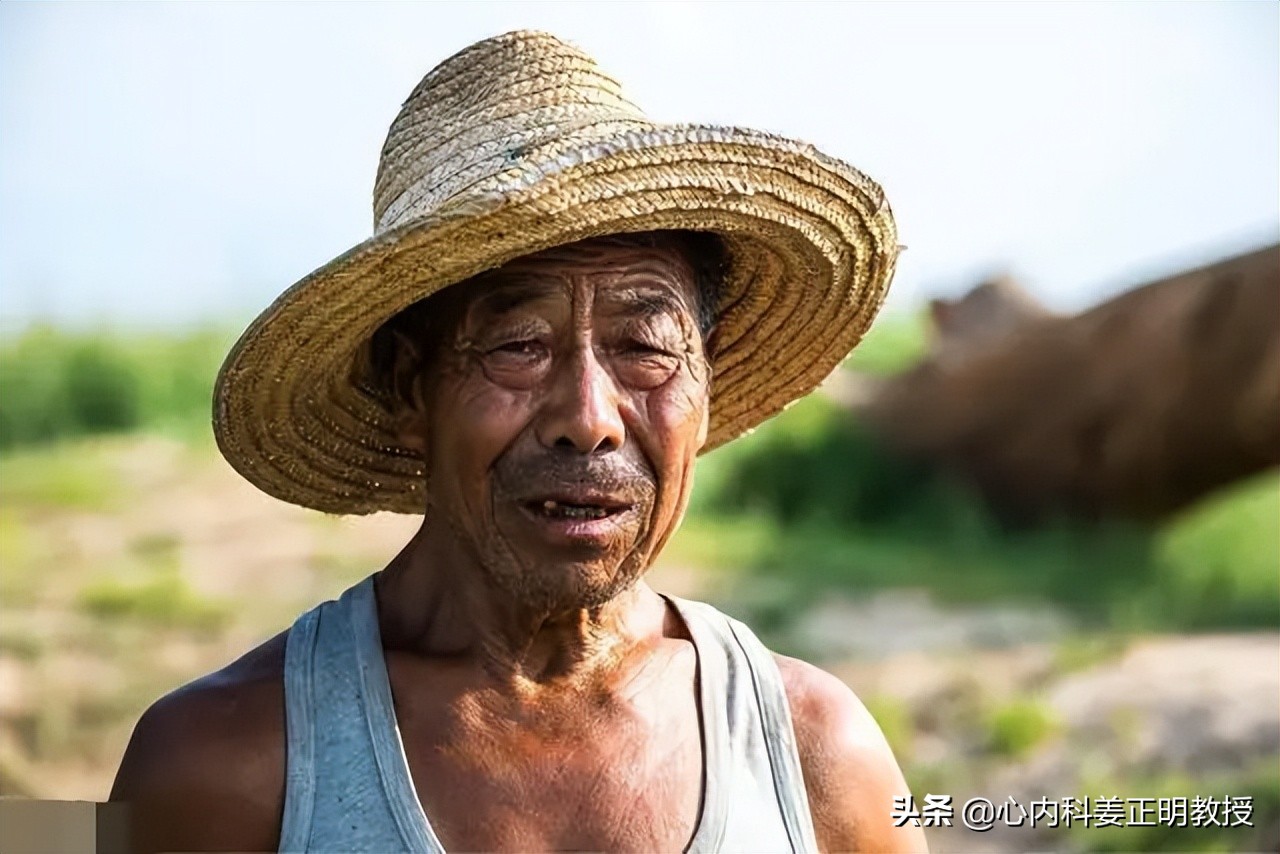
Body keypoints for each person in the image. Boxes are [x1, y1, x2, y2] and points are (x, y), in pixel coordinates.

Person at [109, 30, 924, 853]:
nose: (589, 416)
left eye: (644, 347)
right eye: (516, 347)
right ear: (408, 386)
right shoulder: (207, 760)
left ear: (705, 385)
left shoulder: (821, 754)